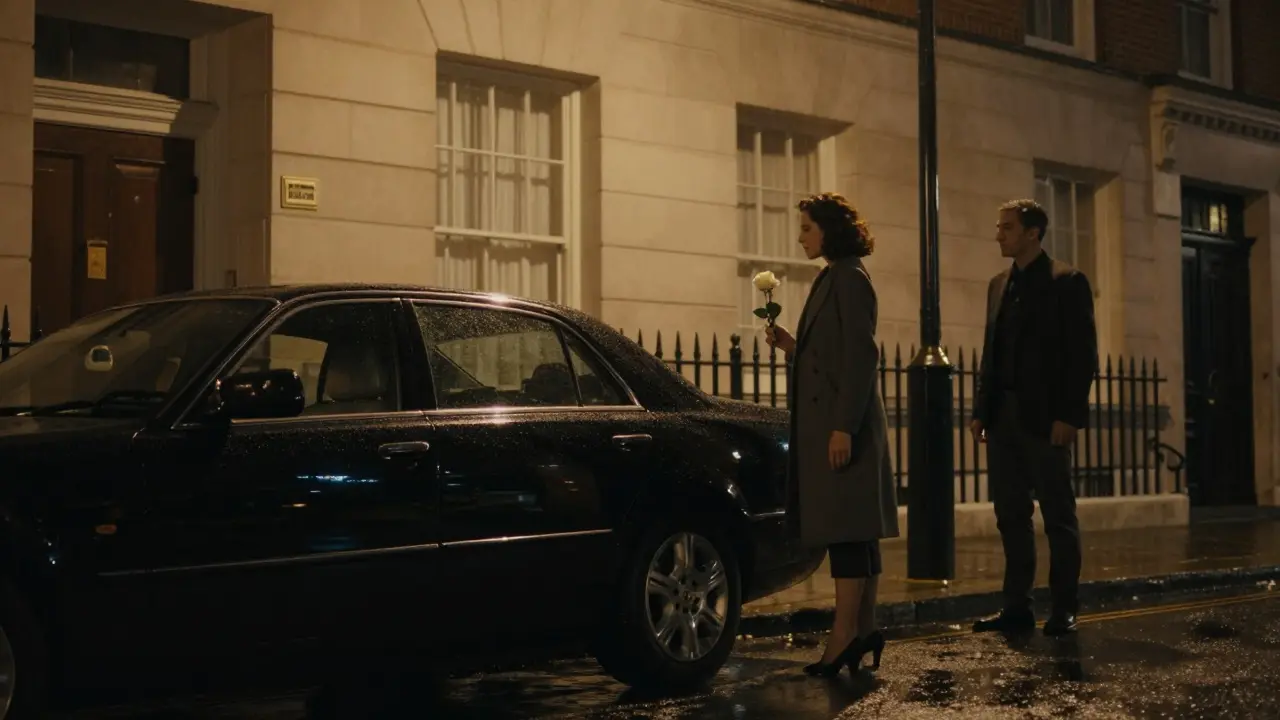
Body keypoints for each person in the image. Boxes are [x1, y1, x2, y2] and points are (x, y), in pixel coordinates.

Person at [764, 192, 900, 677]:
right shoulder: (835, 275)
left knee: (847, 532)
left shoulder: (849, 277)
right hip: (838, 422)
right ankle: (864, 629)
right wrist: (792, 346)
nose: (800, 237)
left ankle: (843, 638)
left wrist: (843, 426)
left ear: (829, 230)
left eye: (807, 228)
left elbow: (861, 356)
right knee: (857, 532)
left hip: (846, 425)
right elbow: (832, 355)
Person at [969, 198, 1098, 637]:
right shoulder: (997, 284)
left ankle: (1064, 607)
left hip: (1046, 419)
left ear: (1032, 233)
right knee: (1010, 516)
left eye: (1007, 227)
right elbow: (990, 352)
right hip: (1002, 417)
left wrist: (1069, 416)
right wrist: (980, 411)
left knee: (1058, 516)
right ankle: (1016, 607)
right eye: (999, 226)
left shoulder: (1066, 281)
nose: (998, 235)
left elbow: (1082, 356)